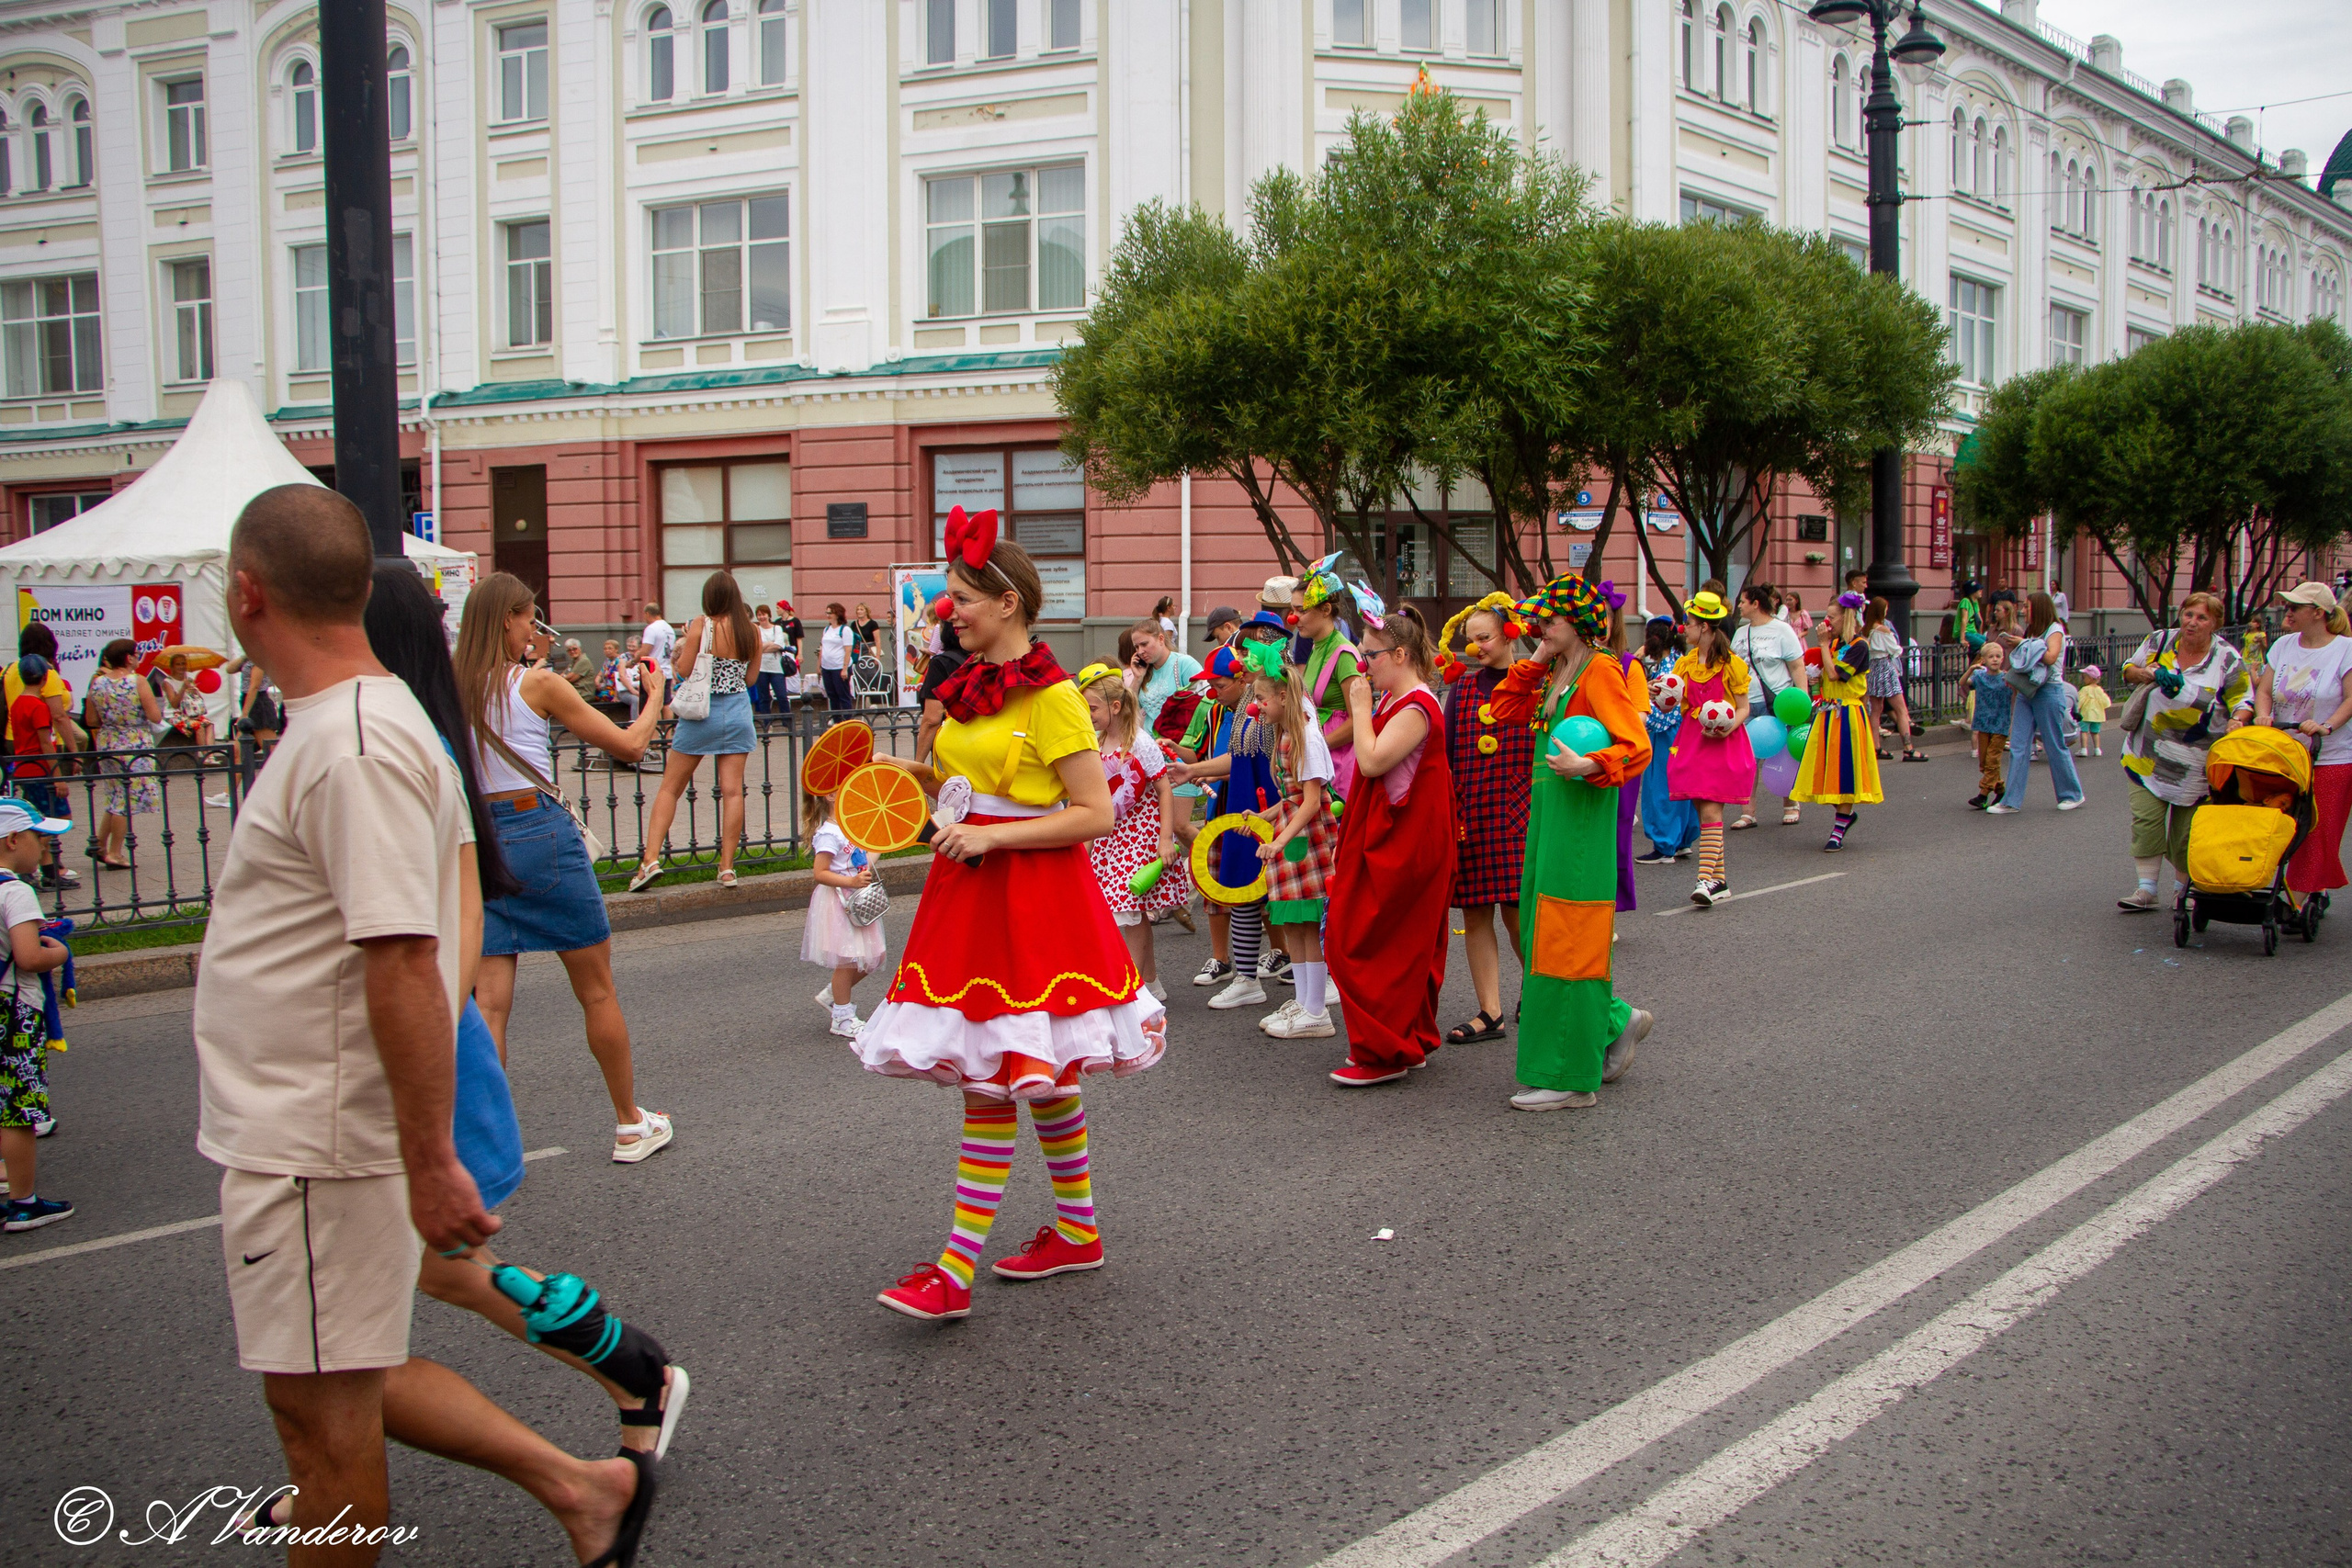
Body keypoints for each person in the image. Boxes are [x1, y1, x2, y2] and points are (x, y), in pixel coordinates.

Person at [198, 490, 656, 1568]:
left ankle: (606, 1438)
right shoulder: (363, 725)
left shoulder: (357, 740)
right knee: (339, 1403)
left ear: (246, 592)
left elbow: (403, 960)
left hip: (318, 1135)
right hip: (309, 1132)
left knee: (325, 1435)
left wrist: (429, 1157)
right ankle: (585, 1488)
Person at [855, 513, 1163, 1323]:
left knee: (993, 1081)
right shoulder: (973, 684)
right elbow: (970, 784)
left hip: (1027, 896)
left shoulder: (1056, 695)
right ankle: (1079, 1231)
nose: (946, 609)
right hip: (973, 888)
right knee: (1037, 1071)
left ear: (1006, 600)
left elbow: (1093, 811)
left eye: (958, 597)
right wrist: (902, 772)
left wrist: (993, 836)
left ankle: (954, 1272)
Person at [456, 571, 680, 1165]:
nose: (536, 628)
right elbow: (630, 746)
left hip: (483, 839)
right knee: (596, 988)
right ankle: (630, 1123)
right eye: (530, 617)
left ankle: (487, 1144)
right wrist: (655, 696)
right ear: (508, 619)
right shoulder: (539, 685)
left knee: (491, 1003)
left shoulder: (451, 689)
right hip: (539, 833)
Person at [1487, 571, 1653, 1111]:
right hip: (1552, 819)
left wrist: (1590, 763)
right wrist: (1537, 656)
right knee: (1541, 935)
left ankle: (1570, 1077)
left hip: (1579, 824)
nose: (1538, 627)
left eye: (1549, 620)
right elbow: (1505, 709)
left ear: (1579, 622)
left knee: (1570, 943)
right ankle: (1610, 1023)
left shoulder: (1600, 670)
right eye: (1537, 620)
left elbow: (1637, 744)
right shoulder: (1560, 668)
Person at [1324, 604, 1455, 1086]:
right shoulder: (1395, 701)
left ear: (1399, 654)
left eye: (1370, 657)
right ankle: (1405, 1041)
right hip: (1389, 836)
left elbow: (1374, 762)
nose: (1363, 666)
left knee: (1371, 940)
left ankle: (1385, 1052)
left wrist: (1358, 709)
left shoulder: (1418, 705)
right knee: (1391, 942)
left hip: (1406, 844)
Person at [2115, 591, 2248, 910]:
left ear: (2215, 623)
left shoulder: (2227, 658)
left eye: (2202, 617)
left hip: (2197, 762)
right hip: (2147, 753)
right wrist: (2144, 673)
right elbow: (2128, 670)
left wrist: (2238, 721)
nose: (2192, 622)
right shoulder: (2160, 641)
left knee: (2187, 832)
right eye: (2188, 614)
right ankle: (2146, 889)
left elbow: (2242, 698)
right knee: (2146, 819)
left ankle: (2183, 890)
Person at [1441, 596, 1533, 1044]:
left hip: (1519, 811)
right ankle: (1490, 1012)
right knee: (1475, 913)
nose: (1476, 647)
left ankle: (1537, 990)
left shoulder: (1535, 681)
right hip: (1472, 811)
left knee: (1518, 913)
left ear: (1510, 633)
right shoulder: (1461, 689)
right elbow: (1447, 755)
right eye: (1470, 640)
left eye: (1485, 638)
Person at [632, 570, 758, 890]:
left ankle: (649, 860)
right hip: (738, 712)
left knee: (670, 788)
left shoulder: (704, 624)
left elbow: (685, 670)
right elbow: (751, 680)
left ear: (709, 597)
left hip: (702, 713)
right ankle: (727, 868)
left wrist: (687, 646)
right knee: (732, 792)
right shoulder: (752, 631)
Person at [1078, 664, 1191, 998]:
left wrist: (1165, 837)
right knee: (1126, 910)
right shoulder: (1096, 742)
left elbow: (1164, 788)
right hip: (1110, 837)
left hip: (1139, 835)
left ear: (1115, 706)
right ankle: (1150, 984)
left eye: (1093, 708)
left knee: (1127, 909)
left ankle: (1133, 989)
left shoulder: (1139, 742)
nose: (1089, 715)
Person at [1250, 647, 1340, 1039]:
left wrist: (1280, 838)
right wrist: (1267, 817)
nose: (1256, 707)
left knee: (1307, 919)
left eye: (1260, 699)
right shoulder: (1288, 733)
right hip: (1293, 834)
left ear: (1283, 697)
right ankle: (1305, 1004)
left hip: (1307, 838)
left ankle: (1317, 1010)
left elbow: (1314, 800)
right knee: (1297, 924)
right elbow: (1292, 798)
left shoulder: (1305, 735)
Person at [2246, 581, 2352, 909]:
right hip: (2283, 753)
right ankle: (2296, 887)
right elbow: (2264, 690)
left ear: (2318, 613)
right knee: (2277, 821)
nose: (2287, 612)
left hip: (2331, 756)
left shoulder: (2345, 649)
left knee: (2318, 830)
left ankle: (2296, 898)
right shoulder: (2283, 646)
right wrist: (2262, 716)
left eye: (2295, 607)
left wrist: (2326, 726)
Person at [1170, 646, 1268, 998]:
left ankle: (1307, 981)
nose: (1213, 693)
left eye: (1219, 685)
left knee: (1284, 901)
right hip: (1234, 810)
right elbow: (1231, 758)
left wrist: (1196, 769)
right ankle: (1243, 975)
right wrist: (1195, 769)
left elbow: (1248, 761)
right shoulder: (1222, 712)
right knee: (1233, 889)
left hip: (1264, 810)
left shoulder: (1259, 711)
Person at [0, 797, 73, 1230]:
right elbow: (27, 957)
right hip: (14, 1011)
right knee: (19, 1110)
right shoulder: (15, 892)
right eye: (38, 840)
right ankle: (24, 1202)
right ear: (11, 840)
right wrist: (59, 953)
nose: (44, 851)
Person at [1667, 591, 1755, 907]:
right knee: (1701, 809)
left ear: (1704, 627)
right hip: (1691, 742)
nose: (1683, 628)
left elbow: (1744, 707)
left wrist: (1730, 724)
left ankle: (1704, 880)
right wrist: (1659, 694)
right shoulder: (1685, 663)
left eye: (1688, 623)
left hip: (1722, 741)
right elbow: (1669, 704)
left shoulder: (1732, 664)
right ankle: (1720, 880)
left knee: (1711, 811)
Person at [1792, 593, 1884, 851]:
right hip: (1828, 713)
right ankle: (1845, 817)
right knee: (1824, 772)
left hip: (1848, 716)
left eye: (1831, 617)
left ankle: (1838, 829)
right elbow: (1824, 678)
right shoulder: (1833, 645)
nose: (1827, 622)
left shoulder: (1859, 646)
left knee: (1845, 773)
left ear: (1847, 617)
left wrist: (1822, 645)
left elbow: (1835, 675)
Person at [1987, 590, 2085, 814]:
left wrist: (2025, 643)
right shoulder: (2035, 631)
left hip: (2049, 691)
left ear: (2038, 609)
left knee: (2054, 745)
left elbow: (2050, 657)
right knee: (2018, 746)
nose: (2023, 611)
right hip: (2027, 691)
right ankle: (2010, 801)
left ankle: (2072, 794)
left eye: (2027, 607)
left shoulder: (2055, 629)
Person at [802, 784, 886, 1039]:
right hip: (839, 901)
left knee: (874, 957)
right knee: (849, 960)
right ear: (830, 796)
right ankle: (842, 1017)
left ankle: (834, 994)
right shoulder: (829, 833)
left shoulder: (852, 828)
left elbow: (859, 863)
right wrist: (850, 882)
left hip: (858, 899)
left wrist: (878, 846)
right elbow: (820, 873)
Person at [1294, 555, 1370, 801]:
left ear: (1326, 609)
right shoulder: (1316, 647)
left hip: (1340, 765)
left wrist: (1317, 747)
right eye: (1292, 610)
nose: (1293, 619)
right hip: (1321, 762)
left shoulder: (1345, 654)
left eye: (1301, 610)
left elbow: (1359, 718)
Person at [1730, 583, 1805, 829]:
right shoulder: (1741, 632)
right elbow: (1734, 668)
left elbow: (1796, 666)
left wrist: (1802, 699)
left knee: (1782, 753)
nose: (1739, 605)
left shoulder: (1782, 630)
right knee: (1748, 758)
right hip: (1747, 704)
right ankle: (1748, 812)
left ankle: (1790, 804)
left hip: (1778, 703)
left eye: (1743, 601)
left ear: (1755, 604)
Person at [84, 638, 162, 871]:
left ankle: (98, 844)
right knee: (127, 799)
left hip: (107, 741)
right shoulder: (137, 681)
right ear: (128, 658)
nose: (138, 658)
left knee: (115, 794)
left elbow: (90, 720)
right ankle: (115, 853)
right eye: (136, 654)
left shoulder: (97, 683)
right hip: (134, 743)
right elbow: (155, 716)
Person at [6, 654, 75, 889]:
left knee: (43, 818)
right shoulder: (38, 706)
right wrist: (58, 777)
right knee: (60, 819)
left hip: (25, 767)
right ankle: (28, 861)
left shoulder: (17, 704)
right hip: (41, 769)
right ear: (46, 678)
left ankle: (50, 871)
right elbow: (46, 742)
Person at [1634, 616, 1699, 864]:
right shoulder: (1680, 662)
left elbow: (1662, 712)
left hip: (1667, 735)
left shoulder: (1666, 670)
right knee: (1682, 785)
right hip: (1684, 733)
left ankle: (1665, 845)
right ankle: (1683, 841)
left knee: (1661, 788)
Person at [1862, 598, 1927, 763]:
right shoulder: (1883, 629)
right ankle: (1908, 748)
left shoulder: (1867, 630)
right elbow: (1895, 649)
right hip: (1885, 667)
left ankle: (1875, 746)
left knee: (1875, 710)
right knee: (1901, 709)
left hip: (1873, 669)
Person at [1126, 616, 1204, 734]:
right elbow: (1127, 708)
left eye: (1144, 644)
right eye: (1136, 647)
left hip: (1178, 743)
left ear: (1161, 639)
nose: (1140, 651)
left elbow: (1205, 702)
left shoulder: (1184, 664)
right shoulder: (1145, 671)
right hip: (1151, 745)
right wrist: (1137, 678)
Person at [1968, 642, 2012, 808]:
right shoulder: (1980, 677)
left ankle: (1983, 795)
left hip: (2000, 724)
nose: (1995, 660)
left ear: (2002, 659)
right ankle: (2000, 790)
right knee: (1985, 763)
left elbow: (2018, 691)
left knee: (1993, 760)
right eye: (1991, 657)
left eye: (1998, 656)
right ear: (1984, 659)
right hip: (1983, 722)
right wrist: (1971, 669)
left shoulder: (2006, 678)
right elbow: (1963, 682)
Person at [752, 604, 792, 715]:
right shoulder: (756, 630)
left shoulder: (777, 628)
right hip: (761, 668)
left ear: (769, 615)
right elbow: (755, 648)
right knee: (763, 697)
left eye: (763, 614)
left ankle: (787, 724)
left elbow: (779, 645)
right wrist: (770, 643)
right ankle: (767, 725)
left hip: (776, 668)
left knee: (782, 696)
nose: (761, 617)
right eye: (759, 615)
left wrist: (762, 647)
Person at [820, 602, 857, 714]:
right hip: (827, 667)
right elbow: (823, 648)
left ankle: (847, 721)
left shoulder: (845, 630)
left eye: (830, 613)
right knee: (832, 695)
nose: (828, 615)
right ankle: (836, 720)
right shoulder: (826, 629)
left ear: (837, 614)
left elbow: (848, 650)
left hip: (839, 667)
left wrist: (845, 668)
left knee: (843, 694)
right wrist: (819, 666)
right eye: (826, 613)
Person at [2075, 666, 2110, 757]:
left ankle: (2084, 749)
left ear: (2090, 678)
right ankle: (2097, 749)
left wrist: (2076, 708)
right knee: (2095, 732)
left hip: (2086, 714)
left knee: (2084, 731)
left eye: (2084, 677)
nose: (2083, 679)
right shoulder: (2100, 690)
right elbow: (2106, 702)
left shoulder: (2085, 689)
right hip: (2098, 715)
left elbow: (2079, 701)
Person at [640, 600, 676, 673]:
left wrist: (633, 662)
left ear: (647, 614)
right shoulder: (669, 628)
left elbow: (645, 651)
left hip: (653, 671)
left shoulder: (651, 628)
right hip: (667, 671)